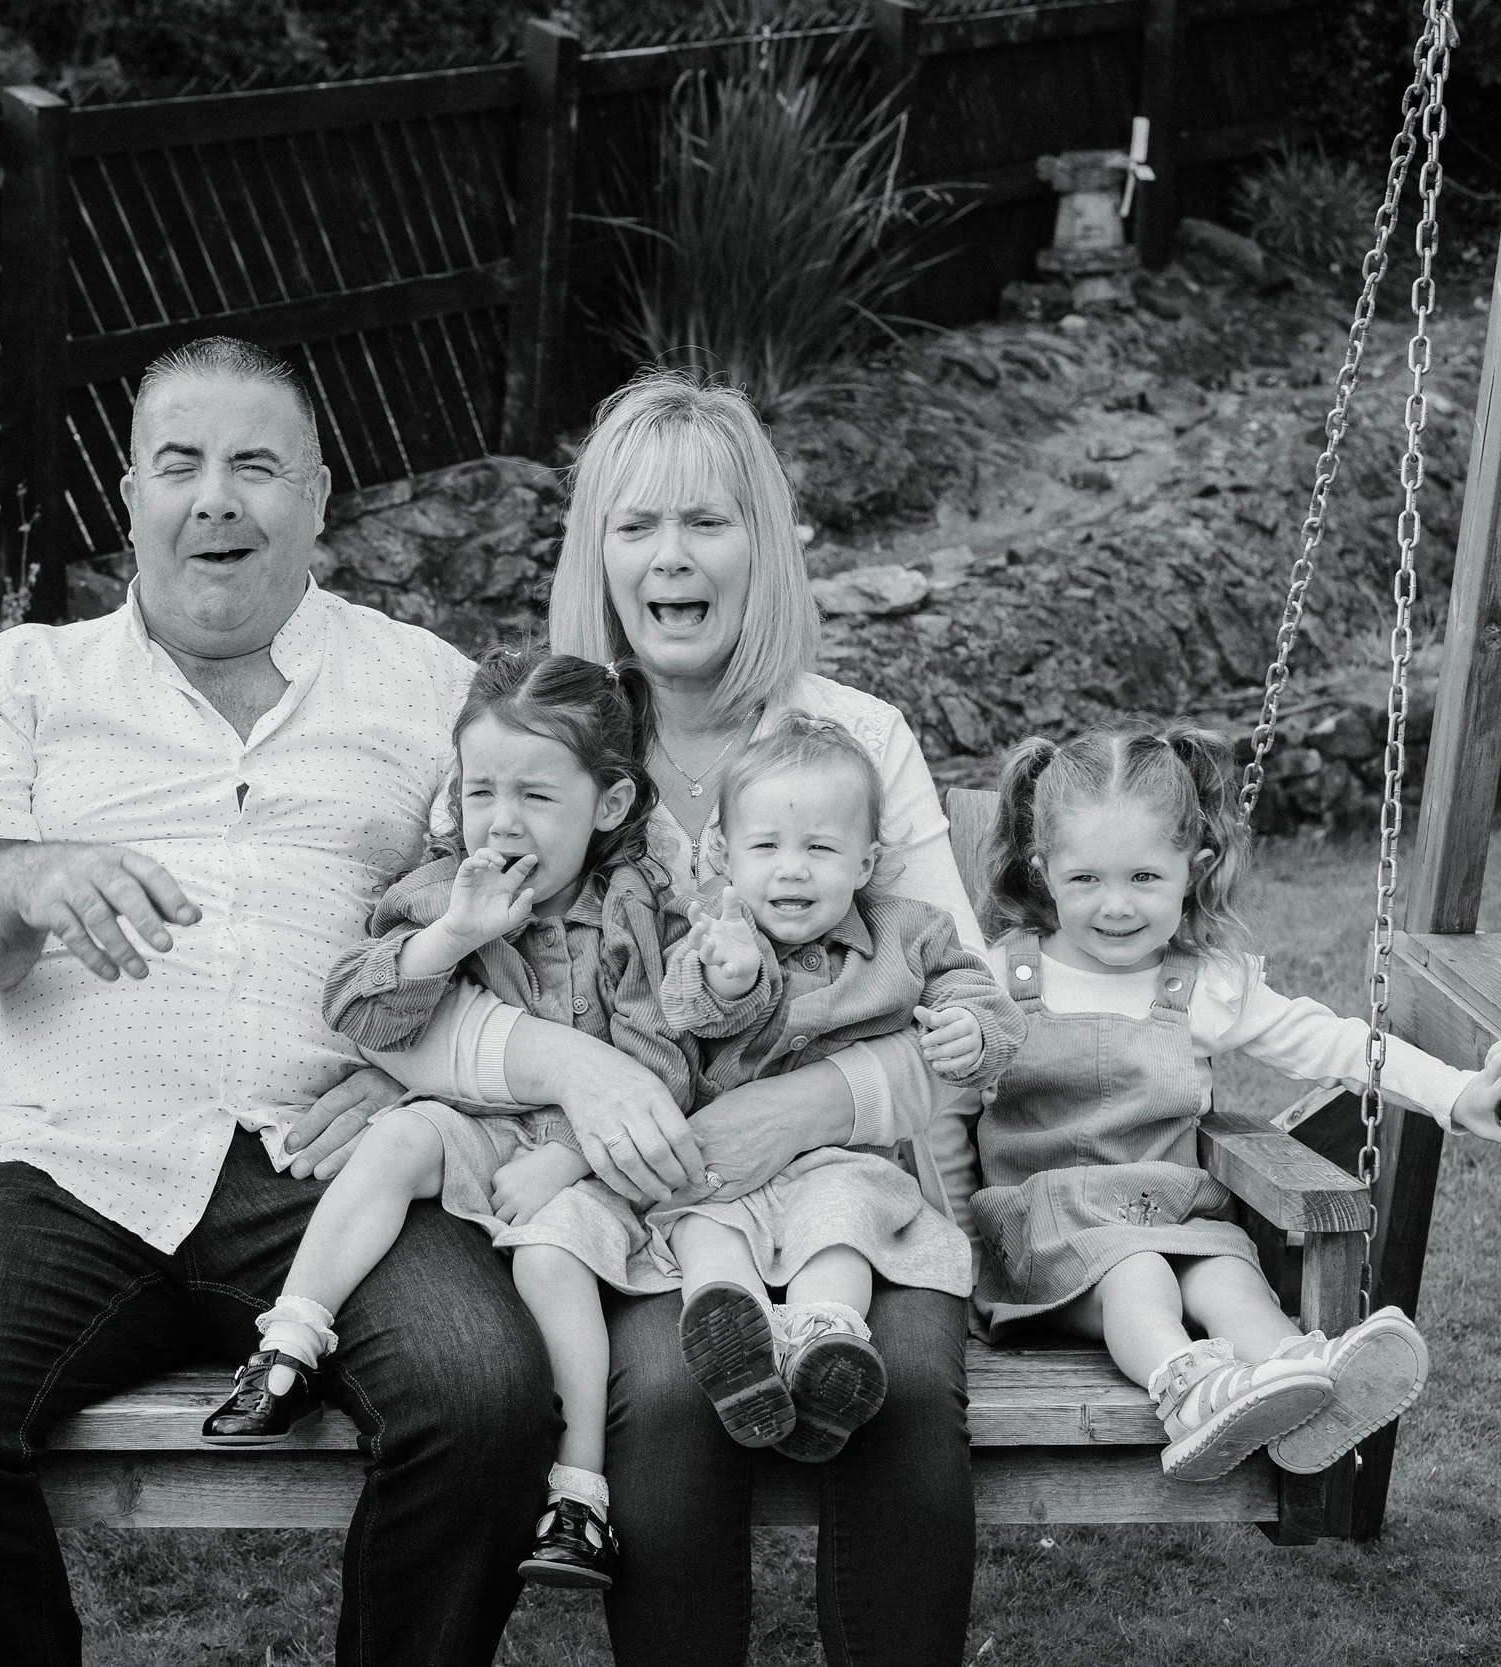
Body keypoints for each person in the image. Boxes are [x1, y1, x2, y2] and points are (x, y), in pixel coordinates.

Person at [0, 338, 686, 1667]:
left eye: (255, 464)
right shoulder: (23, 681)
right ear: (129, 494)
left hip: (332, 1165)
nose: (215, 498)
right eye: (179, 464)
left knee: (481, 1398)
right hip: (75, 1163)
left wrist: (414, 1066)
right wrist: (26, 877)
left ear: (317, 495)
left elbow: (514, 910)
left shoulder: (423, 686)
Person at [350, 369, 986, 1665]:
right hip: (636, 1200)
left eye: (707, 521)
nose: (670, 556)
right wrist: (569, 1069)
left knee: (910, 1386)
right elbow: (424, 988)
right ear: (596, 553)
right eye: (634, 525)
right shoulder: (551, 742)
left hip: (848, 1179)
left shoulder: (854, 739)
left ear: (765, 544)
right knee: (675, 1391)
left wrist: (799, 1104)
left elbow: (956, 1019)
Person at [198, 647, 685, 1593]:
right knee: (398, 1136)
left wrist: (570, 1158)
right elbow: (359, 1009)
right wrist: (455, 934)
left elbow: (662, 1067)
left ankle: (578, 1494)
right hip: (478, 1133)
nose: (502, 821)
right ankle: (290, 1341)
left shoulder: (635, 912)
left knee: (551, 1256)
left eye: (537, 796)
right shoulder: (442, 890)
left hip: (593, 1169)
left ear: (611, 803)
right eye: (481, 791)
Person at [973, 722, 1501, 1479]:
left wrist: (1455, 1093)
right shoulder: (999, 982)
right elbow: (929, 1097)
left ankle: (1308, 1377)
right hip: (1043, 1240)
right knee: (1140, 1272)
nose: (1116, 905)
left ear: (1194, 869)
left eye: (1145, 877)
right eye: (1086, 880)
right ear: (1044, 873)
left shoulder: (1201, 984)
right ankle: (1189, 1393)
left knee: (1228, 1274)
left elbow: (1330, 1042)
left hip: (1174, 1218)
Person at [653, 714, 1023, 1463]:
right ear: (724, 854)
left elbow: (980, 998)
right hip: (726, 1174)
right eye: (766, 847)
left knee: (841, 1220)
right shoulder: (715, 936)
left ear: (866, 861)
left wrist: (972, 1031)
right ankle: (739, 1347)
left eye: (820, 848)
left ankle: (825, 1342)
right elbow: (684, 1012)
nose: (792, 870)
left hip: (842, 1158)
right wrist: (733, 981)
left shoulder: (910, 933)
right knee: (703, 1231)